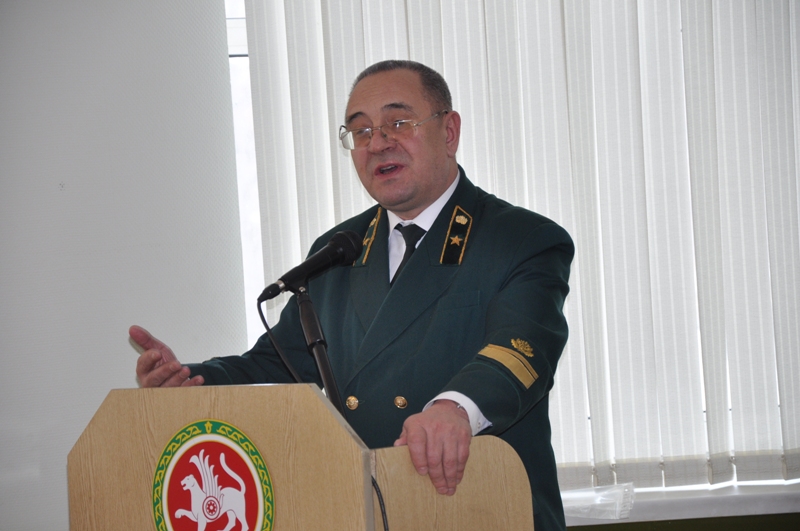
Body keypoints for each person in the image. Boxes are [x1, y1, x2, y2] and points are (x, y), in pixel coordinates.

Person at [133, 60, 573, 530]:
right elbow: (278, 363)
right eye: (360, 131)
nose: (377, 143)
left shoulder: (519, 239)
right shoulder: (339, 249)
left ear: (449, 132)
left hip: (480, 505)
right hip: (372, 511)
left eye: (398, 123)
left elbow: (521, 349)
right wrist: (191, 381)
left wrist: (455, 407)